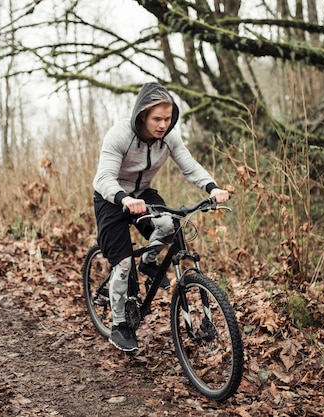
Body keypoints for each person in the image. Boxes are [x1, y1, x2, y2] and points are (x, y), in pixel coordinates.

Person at [92, 82, 229, 352]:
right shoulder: (119, 135)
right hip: (111, 198)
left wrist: (212, 188)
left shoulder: (169, 138)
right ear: (142, 115)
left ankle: (148, 262)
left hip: (143, 194)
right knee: (122, 264)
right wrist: (125, 199)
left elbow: (189, 167)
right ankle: (120, 326)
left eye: (167, 118)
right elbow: (104, 177)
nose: (163, 124)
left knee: (169, 225)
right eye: (157, 118)